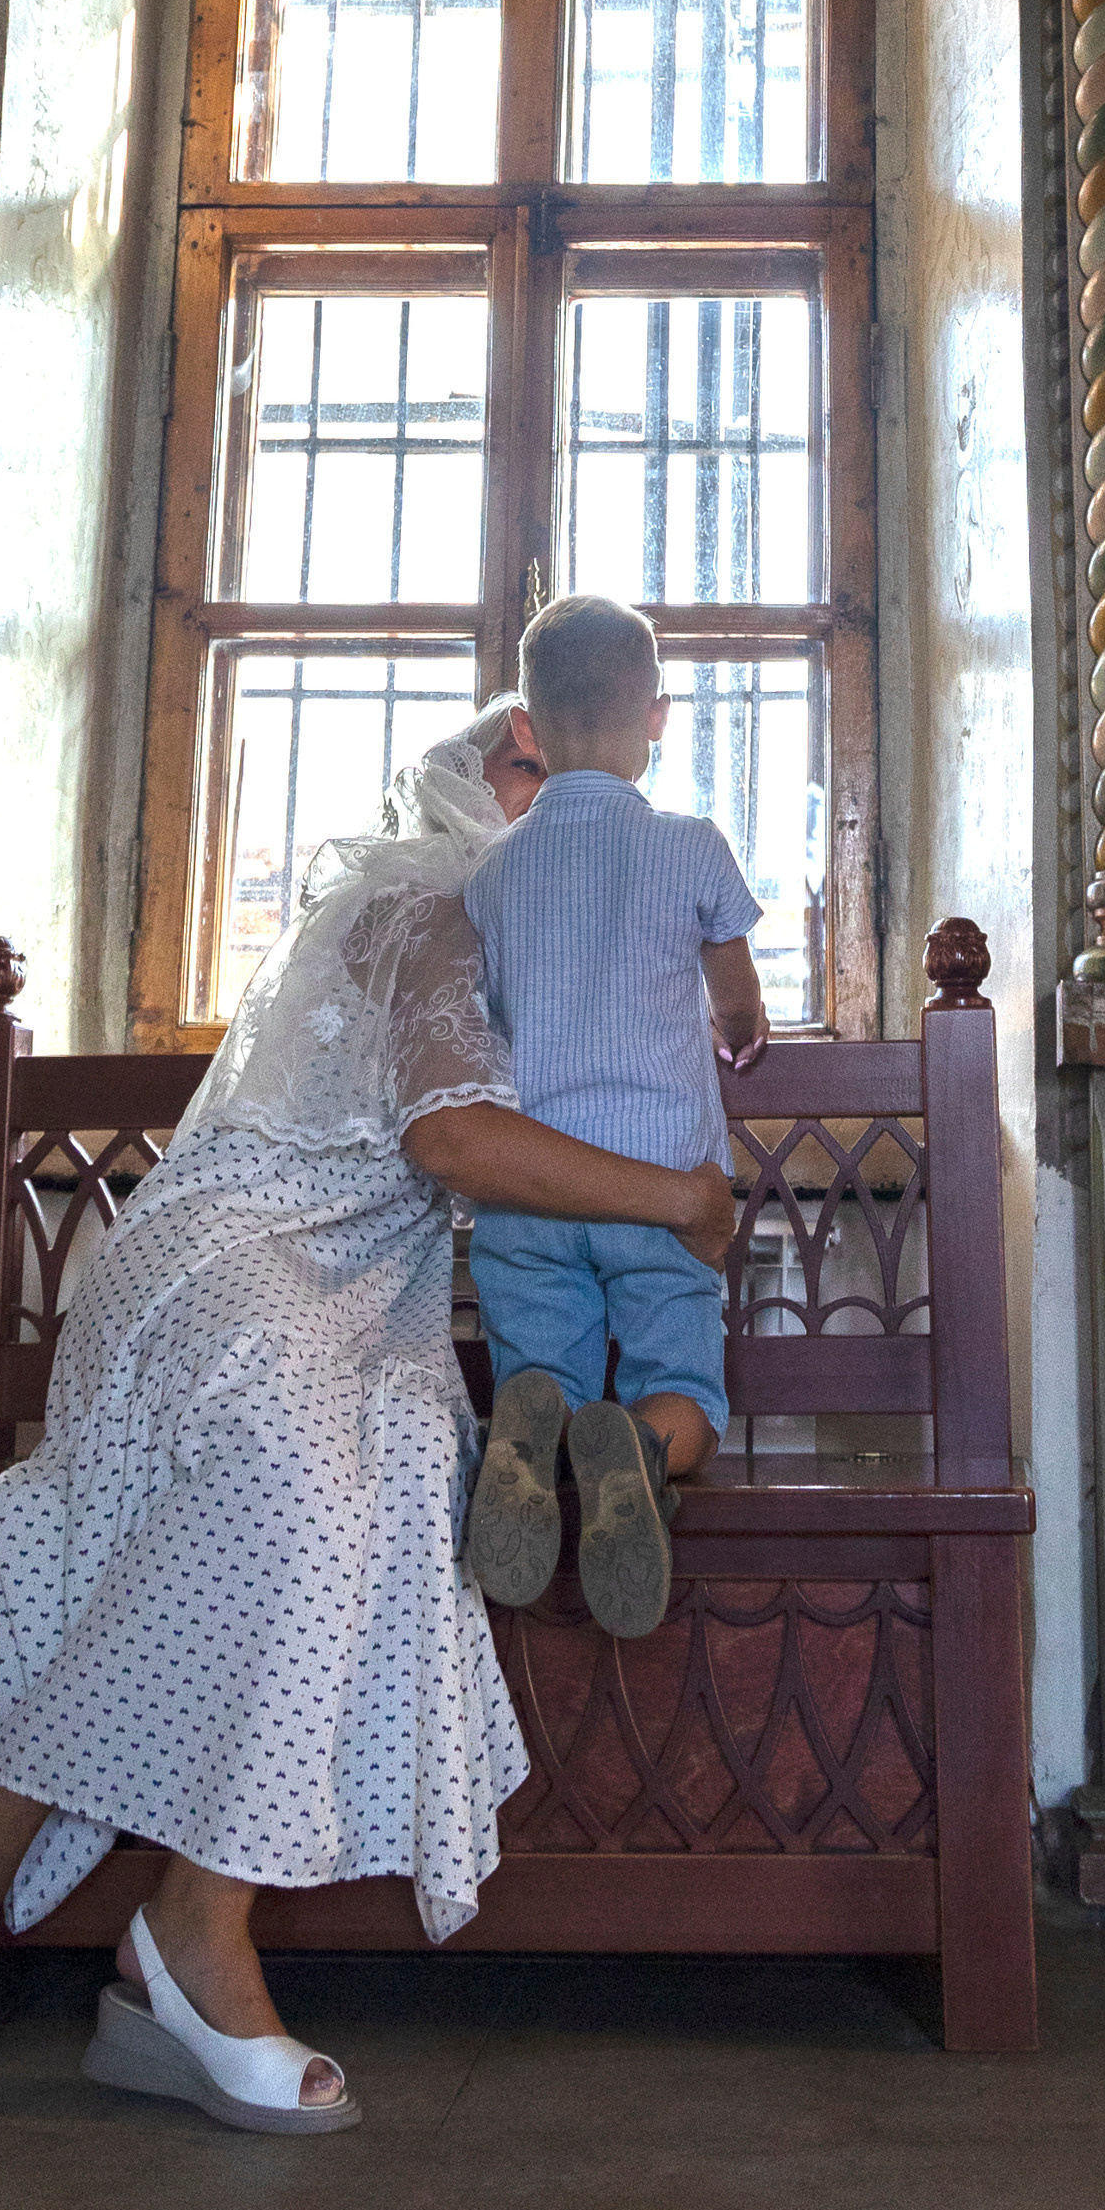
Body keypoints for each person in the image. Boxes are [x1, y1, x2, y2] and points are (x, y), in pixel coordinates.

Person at [0, 698, 737, 2133]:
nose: (563, 787)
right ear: (467, 782)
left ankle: (183, 1920)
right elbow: (454, 1138)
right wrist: (688, 1199)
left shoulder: (548, 942)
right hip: (232, 1256)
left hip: (372, 1293)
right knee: (301, 1474)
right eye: (530, 762)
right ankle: (4, 1832)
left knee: (406, 1472)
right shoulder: (428, 902)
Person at [461, 596, 771, 1640]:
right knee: (684, 1386)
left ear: (527, 727)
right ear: (657, 716)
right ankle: (643, 1445)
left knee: (540, 1372)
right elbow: (736, 1001)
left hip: (531, 1194)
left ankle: (529, 1429)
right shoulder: (692, 847)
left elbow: (489, 1021)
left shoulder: (492, 871)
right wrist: (738, 1029)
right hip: (663, 1192)